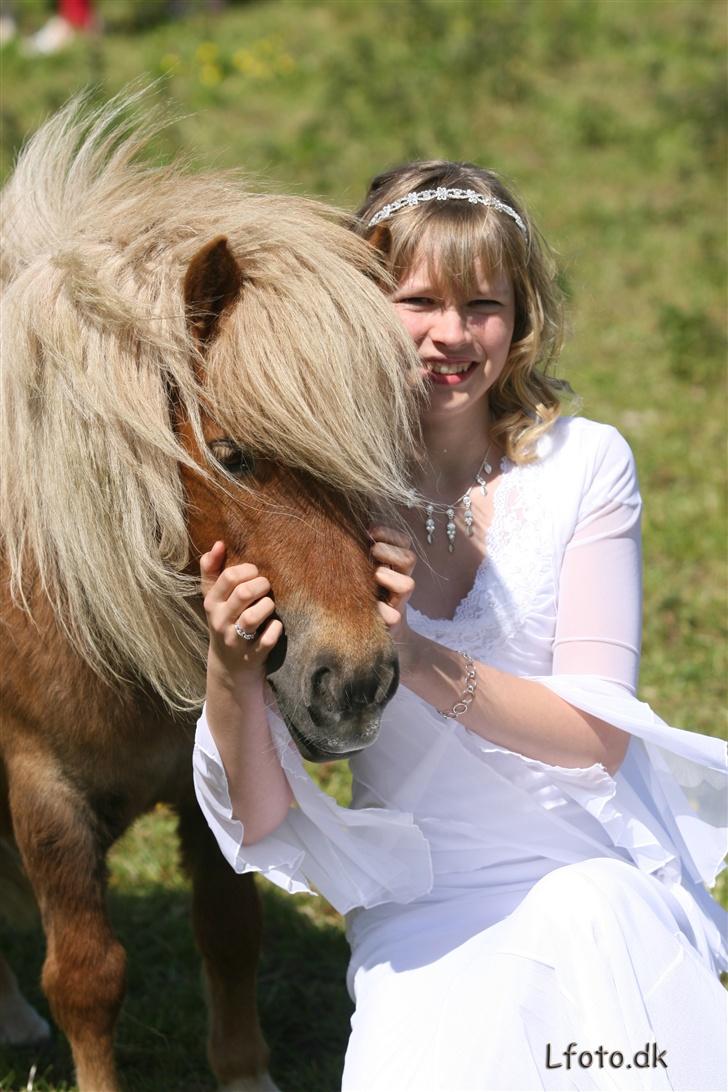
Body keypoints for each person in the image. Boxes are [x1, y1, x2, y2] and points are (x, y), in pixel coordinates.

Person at [193, 160, 727, 1091]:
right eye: (418, 301)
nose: (452, 334)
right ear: (364, 311)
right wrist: (230, 665)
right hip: (424, 907)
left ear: (521, 318)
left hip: (588, 873)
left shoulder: (585, 467)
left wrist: (414, 655)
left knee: (601, 980)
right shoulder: (323, 496)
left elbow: (598, 736)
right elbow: (265, 813)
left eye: (484, 303)